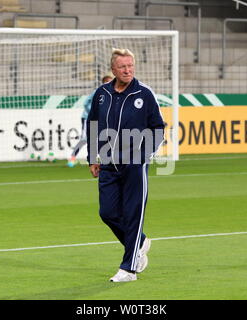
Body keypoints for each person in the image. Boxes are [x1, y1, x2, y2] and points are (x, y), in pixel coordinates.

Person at [86, 48, 165, 282]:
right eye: (123, 67)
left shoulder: (145, 93)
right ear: (113, 70)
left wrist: (145, 154)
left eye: (131, 65)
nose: (128, 70)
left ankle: (129, 269)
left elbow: (158, 128)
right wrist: (92, 157)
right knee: (107, 213)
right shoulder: (102, 94)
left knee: (133, 214)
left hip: (134, 163)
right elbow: (92, 125)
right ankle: (139, 242)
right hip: (108, 162)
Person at [68, 74, 113, 167]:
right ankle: (72, 158)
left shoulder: (112, 94)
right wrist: (92, 113)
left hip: (100, 120)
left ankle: (106, 158)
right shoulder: (97, 91)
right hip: (88, 118)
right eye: (107, 82)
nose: (109, 84)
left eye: (110, 82)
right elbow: (85, 103)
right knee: (85, 139)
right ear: (103, 83)